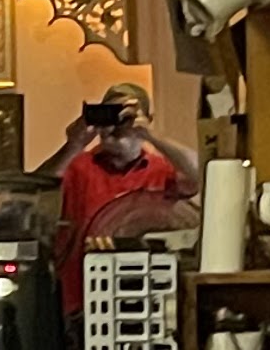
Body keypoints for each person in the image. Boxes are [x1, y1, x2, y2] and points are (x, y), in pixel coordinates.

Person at [52, 85, 201, 300]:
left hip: (147, 294)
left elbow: (200, 173)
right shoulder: (77, 167)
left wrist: (153, 136)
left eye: (127, 117)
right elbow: (38, 192)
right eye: (110, 114)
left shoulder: (162, 169)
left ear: (147, 119)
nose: (117, 126)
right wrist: (73, 145)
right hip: (83, 296)